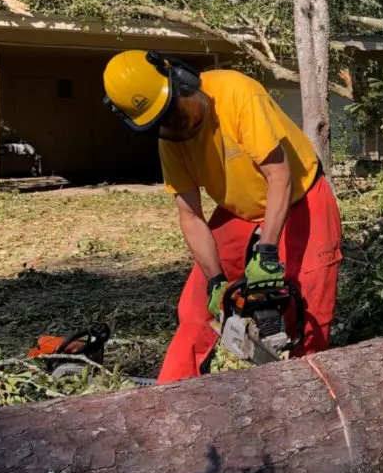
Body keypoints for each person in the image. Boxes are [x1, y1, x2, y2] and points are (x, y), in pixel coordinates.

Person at [101, 50, 342, 383]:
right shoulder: (170, 142)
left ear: (182, 80)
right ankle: (169, 395)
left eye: (173, 112)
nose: (175, 126)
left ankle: (308, 394)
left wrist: (267, 252)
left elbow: (280, 175)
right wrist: (215, 280)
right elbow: (190, 216)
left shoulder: (237, 93)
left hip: (301, 196)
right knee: (196, 308)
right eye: (162, 123)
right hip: (237, 210)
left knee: (310, 306)